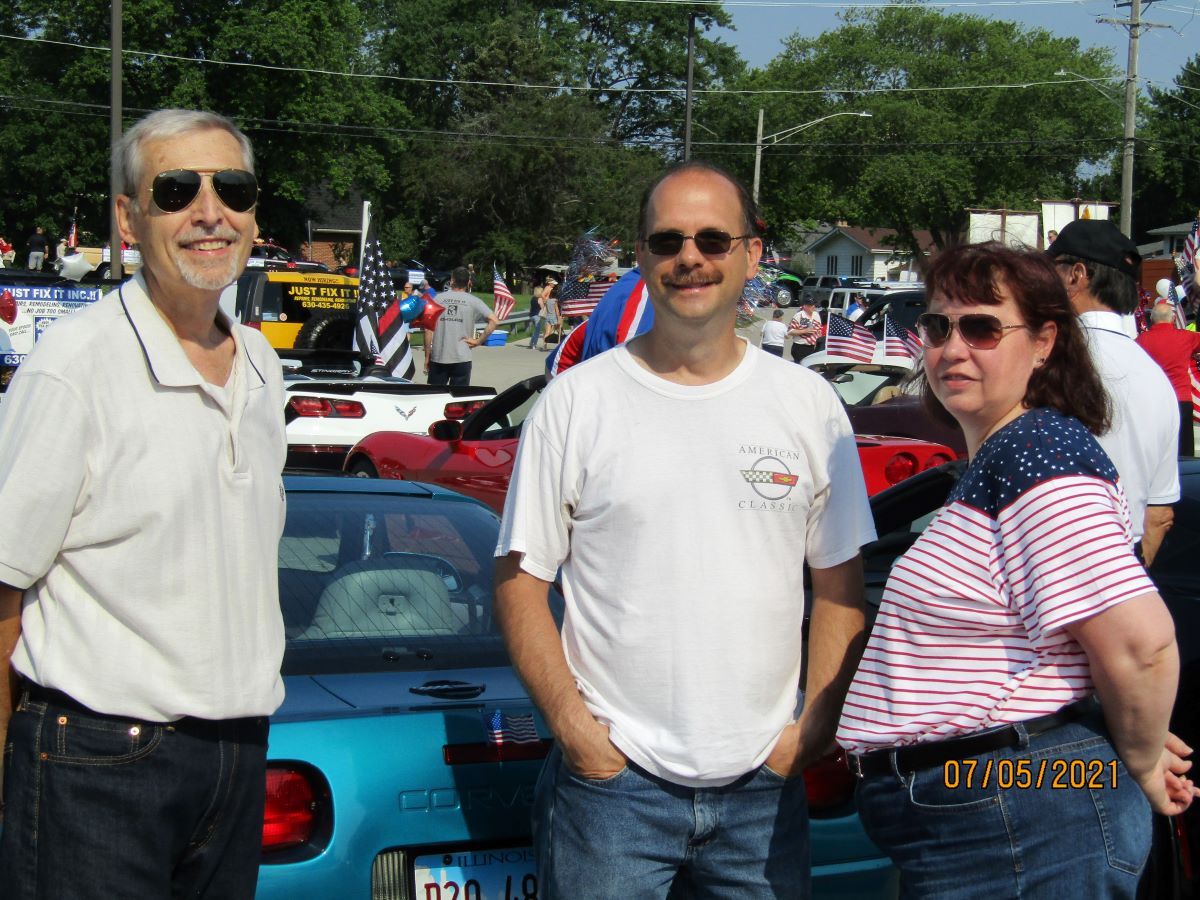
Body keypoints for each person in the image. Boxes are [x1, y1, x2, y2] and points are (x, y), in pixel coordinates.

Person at [495, 160, 876, 898]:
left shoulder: (808, 405)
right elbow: (519, 582)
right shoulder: (575, 404)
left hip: (764, 788)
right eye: (667, 240)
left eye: (712, 239)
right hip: (612, 792)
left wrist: (812, 730)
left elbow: (840, 585)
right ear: (641, 256)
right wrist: (578, 733)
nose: (689, 258)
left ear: (752, 254)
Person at [837, 242, 1197, 898]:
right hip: (999, 814)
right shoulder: (1008, 456)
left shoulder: (1039, 454)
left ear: (1044, 342)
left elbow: (1140, 644)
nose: (952, 349)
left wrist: (1143, 757)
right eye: (938, 326)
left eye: (981, 328)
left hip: (1020, 814)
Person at [0, 109, 286, 898]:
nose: (209, 213)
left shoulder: (261, 365)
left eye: (232, 189)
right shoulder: (74, 368)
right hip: (95, 765)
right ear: (128, 219)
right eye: (176, 190)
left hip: (237, 756)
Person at [1049, 220, 1180, 566]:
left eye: (1050, 268)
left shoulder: (1046, 360)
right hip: (1123, 571)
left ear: (1076, 275)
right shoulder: (1157, 380)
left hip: (1046, 572)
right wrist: (1128, 580)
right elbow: (1159, 514)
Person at [1137, 300, 1200, 456]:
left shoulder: (1141, 340)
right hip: (1181, 400)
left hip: (1154, 402)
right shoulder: (1186, 337)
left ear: (1152, 318)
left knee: (1158, 452)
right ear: (1173, 319)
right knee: (1185, 452)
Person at [423, 265, 497, 385]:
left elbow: (428, 330)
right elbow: (494, 321)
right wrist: (478, 341)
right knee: (458, 396)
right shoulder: (474, 301)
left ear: (452, 280)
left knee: (435, 394)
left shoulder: (437, 299)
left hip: (439, 357)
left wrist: (427, 356)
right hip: (462, 357)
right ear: (468, 283)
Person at [788, 299, 822, 363]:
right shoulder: (799, 315)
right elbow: (790, 331)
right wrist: (805, 331)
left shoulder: (816, 315)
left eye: (814, 305)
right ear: (805, 306)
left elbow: (819, 329)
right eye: (810, 305)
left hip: (812, 347)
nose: (813, 306)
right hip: (800, 346)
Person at [526, 283, 546, 349]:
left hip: (531, 315)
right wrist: (544, 303)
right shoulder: (539, 299)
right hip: (537, 316)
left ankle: (531, 343)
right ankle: (534, 344)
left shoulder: (532, 298)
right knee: (537, 331)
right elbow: (542, 307)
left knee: (535, 330)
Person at [541, 279, 560, 346]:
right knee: (558, 330)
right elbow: (542, 295)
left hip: (548, 315)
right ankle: (559, 343)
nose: (554, 285)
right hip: (553, 316)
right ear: (550, 283)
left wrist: (546, 301)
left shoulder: (548, 300)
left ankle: (544, 344)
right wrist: (545, 300)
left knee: (547, 332)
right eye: (553, 283)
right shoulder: (548, 288)